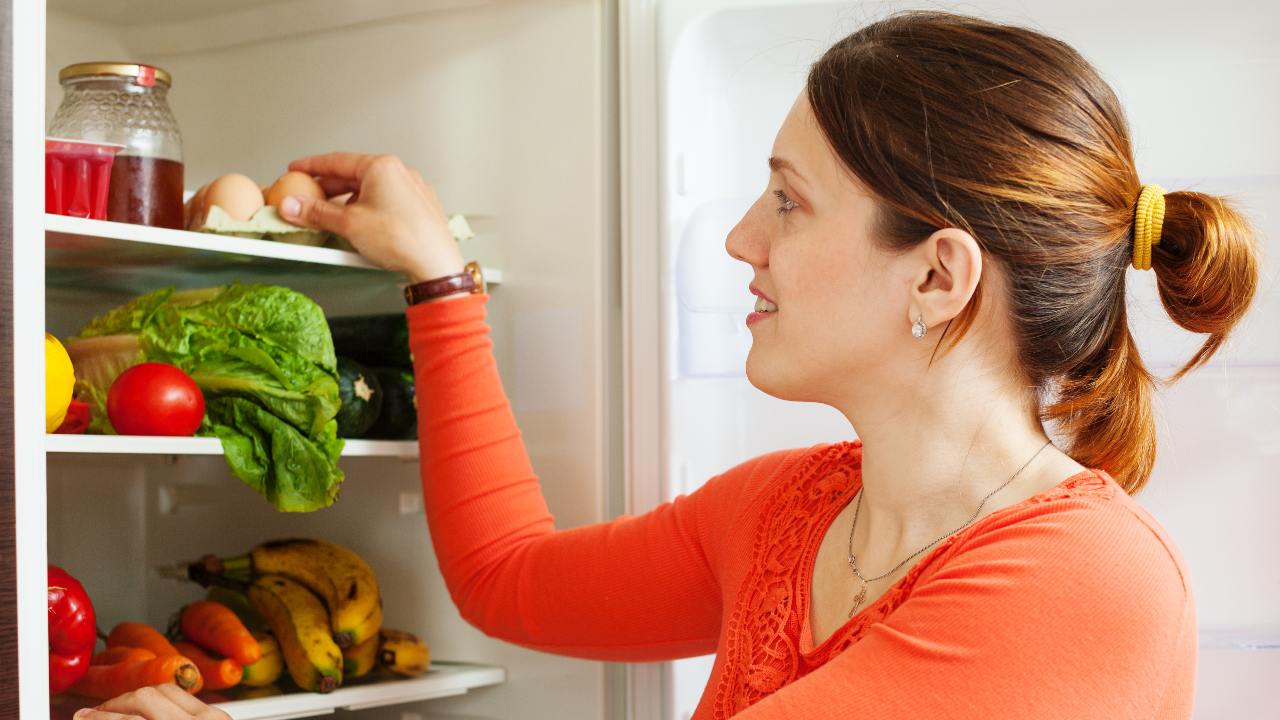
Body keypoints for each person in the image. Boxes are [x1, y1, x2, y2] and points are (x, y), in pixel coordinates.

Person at [77, 10, 1259, 720]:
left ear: (937, 277)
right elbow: (508, 578)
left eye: (787, 203)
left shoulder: (1081, 584)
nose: (742, 238)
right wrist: (439, 280)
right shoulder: (792, 510)